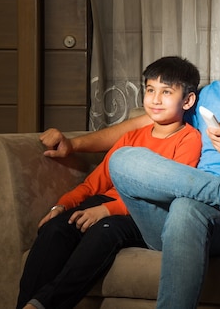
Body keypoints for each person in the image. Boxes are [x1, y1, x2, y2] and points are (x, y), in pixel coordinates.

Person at [41, 7, 220, 308]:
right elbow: (138, 124)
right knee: (123, 159)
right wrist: (74, 144)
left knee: (186, 208)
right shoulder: (213, 94)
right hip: (176, 217)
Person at [17, 56, 203, 309]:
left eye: (166, 92)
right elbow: (94, 184)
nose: (155, 99)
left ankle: (43, 305)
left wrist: (107, 210)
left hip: (141, 214)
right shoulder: (132, 136)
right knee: (55, 229)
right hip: (105, 203)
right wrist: (61, 205)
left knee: (104, 231)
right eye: (150, 90)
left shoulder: (189, 139)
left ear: (188, 100)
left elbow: (169, 193)